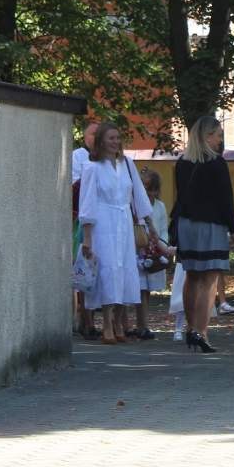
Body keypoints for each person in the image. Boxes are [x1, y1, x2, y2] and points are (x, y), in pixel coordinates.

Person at [80, 122, 155, 344]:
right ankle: (107, 323)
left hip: (123, 221)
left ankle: (119, 322)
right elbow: (87, 202)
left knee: (124, 269)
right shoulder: (92, 167)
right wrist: (87, 235)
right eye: (111, 138)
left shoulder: (127, 164)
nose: (115, 142)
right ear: (101, 140)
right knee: (108, 269)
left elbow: (138, 195)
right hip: (103, 222)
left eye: (118, 138)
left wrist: (149, 223)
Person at [172, 116, 234, 353]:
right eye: (219, 135)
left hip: (185, 225)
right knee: (210, 280)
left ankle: (191, 328)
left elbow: (180, 196)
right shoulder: (217, 163)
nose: (221, 140)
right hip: (210, 225)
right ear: (207, 136)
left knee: (192, 277)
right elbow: (225, 199)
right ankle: (201, 332)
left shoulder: (182, 162)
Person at [132, 168, 171, 340]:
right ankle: (142, 325)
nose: (151, 193)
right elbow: (135, 227)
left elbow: (163, 229)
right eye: (148, 189)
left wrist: (160, 245)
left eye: (154, 189)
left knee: (147, 290)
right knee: (140, 288)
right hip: (138, 252)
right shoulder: (135, 205)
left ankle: (143, 324)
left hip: (154, 252)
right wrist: (144, 239)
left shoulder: (160, 206)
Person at [72, 123, 100, 339]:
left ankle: (88, 321)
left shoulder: (110, 160)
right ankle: (86, 321)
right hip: (83, 220)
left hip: (105, 219)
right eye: (94, 133)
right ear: (85, 137)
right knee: (86, 269)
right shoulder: (77, 156)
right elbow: (76, 187)